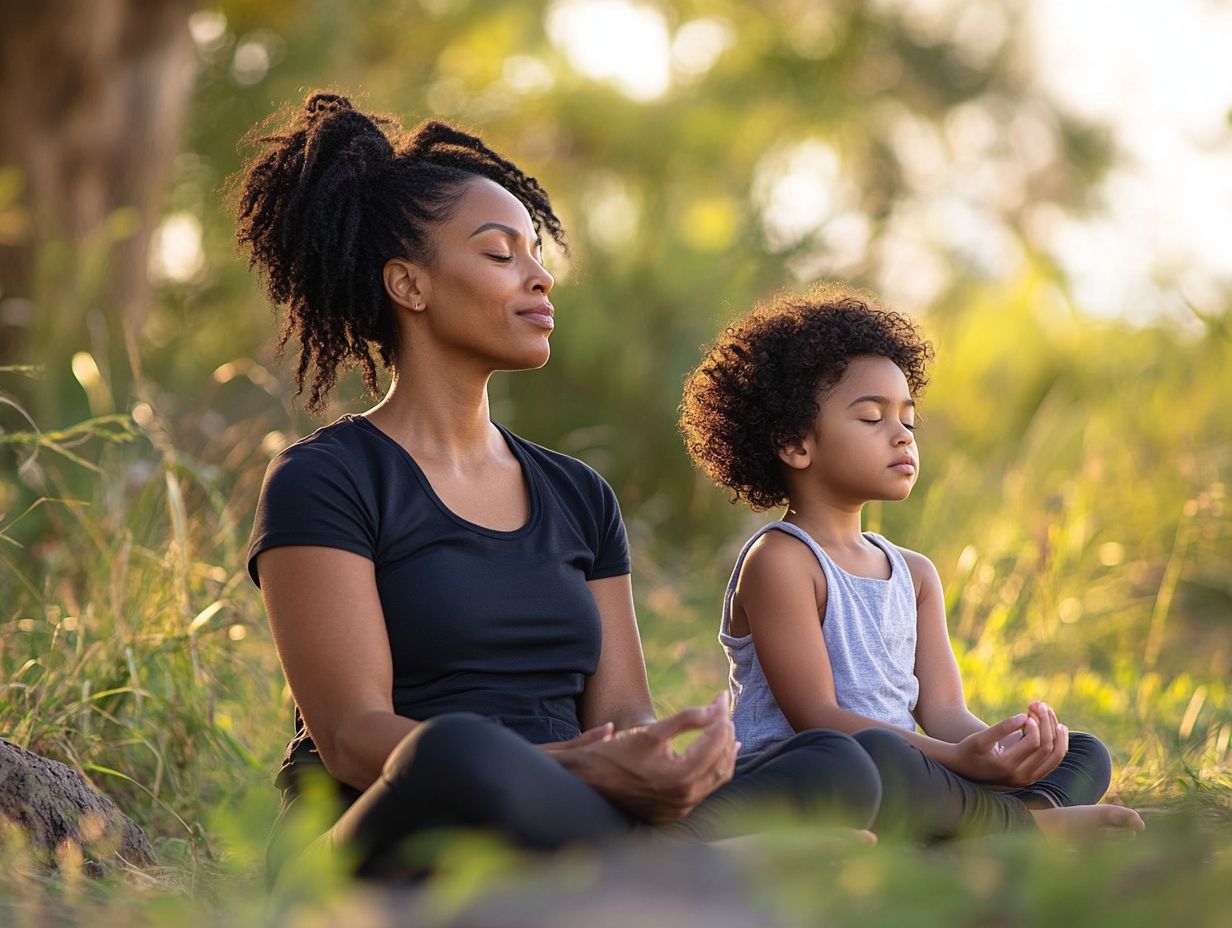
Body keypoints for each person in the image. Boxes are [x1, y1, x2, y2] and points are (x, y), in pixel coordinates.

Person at [235, 93, 884, 885]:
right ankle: (695, 873)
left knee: (834, 763)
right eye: (501, 254)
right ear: (409, 285)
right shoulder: (325, 479)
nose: (541, 277)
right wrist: (577, 770)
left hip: (576, 810)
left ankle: (657, 868)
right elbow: (353, 737)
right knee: (455, 747)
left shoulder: (578, 494)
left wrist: (662, 760)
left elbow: (624, 714)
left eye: (536, 252)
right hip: (395, 820)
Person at [678, 284, 1146, 841]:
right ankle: (1017, 830)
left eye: (908, 419)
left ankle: (1000, 821)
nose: (901, 435)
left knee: (1083, 751)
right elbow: (819, 719)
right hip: (814, 776)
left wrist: (1000, 748)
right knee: (874, 753)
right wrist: (959, 761)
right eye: (873, 418)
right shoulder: (781, 560)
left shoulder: (914, 573)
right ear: (795, 444)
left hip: (909, 772)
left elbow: (946, 712)